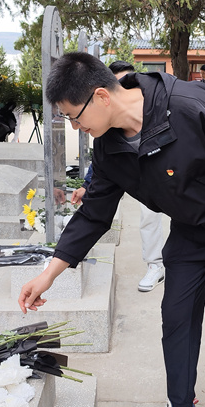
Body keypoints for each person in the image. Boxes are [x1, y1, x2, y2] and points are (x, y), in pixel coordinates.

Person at [19, 52, 205, 407]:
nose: (75, 127)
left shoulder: (187, 104)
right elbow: (94, 214)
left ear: (101, 96)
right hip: (190, 232)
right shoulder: (109, 150)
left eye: (73, 116)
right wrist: (49, 275)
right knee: (176, 321)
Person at [70, 60, 166, 292]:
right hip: (142, 179)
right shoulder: (107, 127)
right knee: (149, 215)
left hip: (170, 170)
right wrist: (87, 186)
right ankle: (155, 264)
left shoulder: (157, 105)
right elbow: (102, 163)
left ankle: (198, 260)